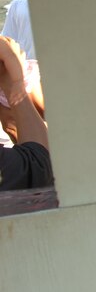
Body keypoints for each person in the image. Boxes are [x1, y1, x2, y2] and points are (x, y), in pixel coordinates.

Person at [0, 36, 52, 191]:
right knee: (11, 128)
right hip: (6, 89)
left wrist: (17, 83)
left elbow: (11, 56)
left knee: (45, 113)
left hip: (20, 81)